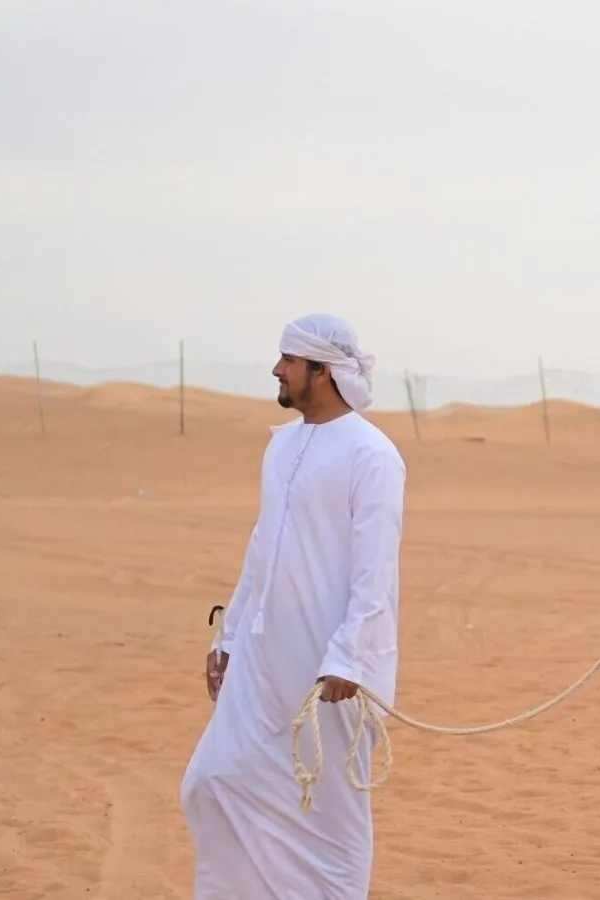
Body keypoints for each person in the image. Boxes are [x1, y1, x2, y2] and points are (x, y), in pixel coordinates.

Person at [180, 313, 408, 898]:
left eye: (288, 360)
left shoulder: (372, 456)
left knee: (332, 817)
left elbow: (374, 572)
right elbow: (263, 550)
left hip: (330, 669)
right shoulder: (282, 447)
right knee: (213, 781)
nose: (277, 370)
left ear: (322, 371)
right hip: (262, 655)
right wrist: (227, 640)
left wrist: (349, 659)